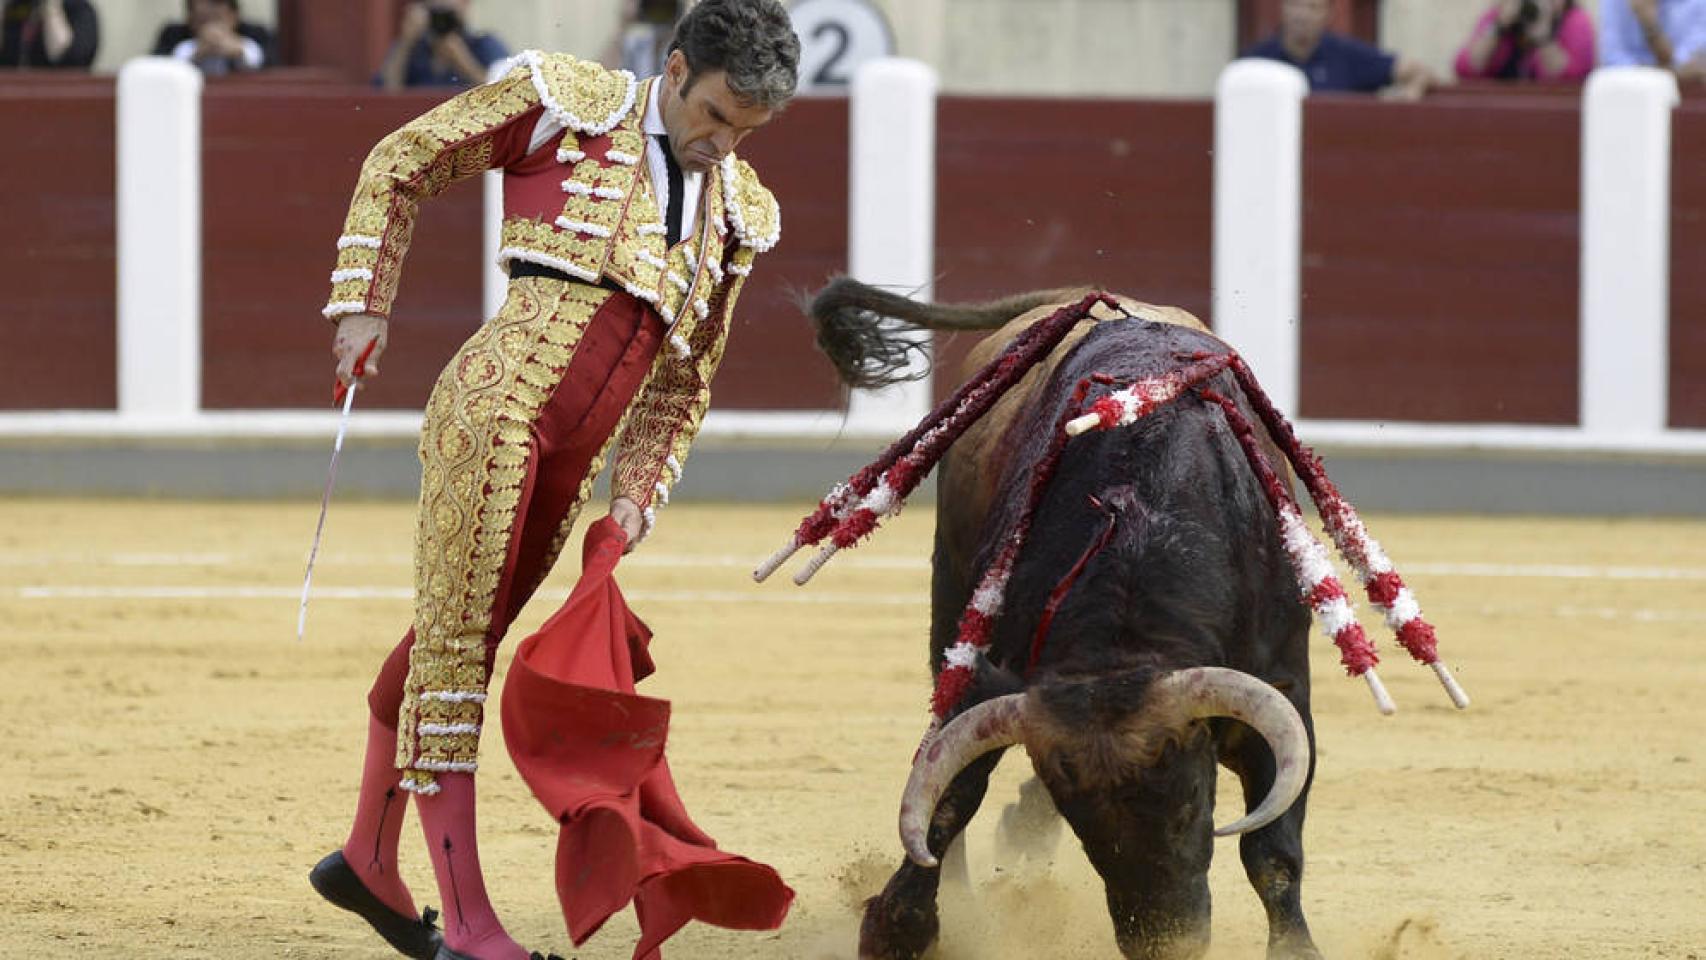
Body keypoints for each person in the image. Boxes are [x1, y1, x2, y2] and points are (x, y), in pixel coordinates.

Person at [306, 2, 800, 959]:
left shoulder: (739, 210)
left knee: (460, 639)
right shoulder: (569, 103)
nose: (723, 143)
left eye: (748, 129)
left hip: (576, 456)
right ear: (680, 65)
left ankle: (370, 856)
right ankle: (471, 927)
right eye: (716, 114)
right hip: (494, 410)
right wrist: (363, 307)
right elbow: (398, 163)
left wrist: (634, 496)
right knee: (455, 657)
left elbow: (685, 377)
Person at [1242, 0, 1436, 97]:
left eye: (1313, 7)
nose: (1302, 15)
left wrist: (1411, 91)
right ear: (1282, 7)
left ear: (1329, 14)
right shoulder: (1256, 61)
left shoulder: (1348, 54)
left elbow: (1420, 71)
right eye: (1296, 4)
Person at [378, 0, 509, 90]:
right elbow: (386, 94)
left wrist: (463, 61)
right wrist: (406, 41)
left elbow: (505, 92)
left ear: (465, 5)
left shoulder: (485, 44)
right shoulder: (412, 49)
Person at [1455, 0, 1596, 81]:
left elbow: (1573, 77)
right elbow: (1466, 67)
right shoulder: (1500, 17)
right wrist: (1498, 26)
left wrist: (1543, 36)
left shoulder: (1575, 20)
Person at [150, 0, 274, 77]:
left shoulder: (257, 34)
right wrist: (194, 52)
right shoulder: (172, 34)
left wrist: (241, 50)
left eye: (217, 19)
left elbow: (275, 67)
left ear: (234, 16)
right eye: (203, 20)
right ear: (190, 18)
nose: (211, 28)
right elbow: (155, 68)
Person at [1600, 0, 1706, 82]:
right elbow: (1612, 62)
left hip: (1681, 97)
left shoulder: (1699, 3)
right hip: (1629, 93)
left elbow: (1689, 67)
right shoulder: (1614, 3)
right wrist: (1671, 72)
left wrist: (1650, 25)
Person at [0, 0, 97, 69]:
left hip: (61, 92)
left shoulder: (79, 10)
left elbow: (70, 60)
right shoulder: (14, 8)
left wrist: (51, 7)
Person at [604, 0, 690, 77]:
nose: (659, 10)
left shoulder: (685, 46)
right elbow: (604, 76)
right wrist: (623, 25)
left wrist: (686, 22)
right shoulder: (637, 45)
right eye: (654, 5)